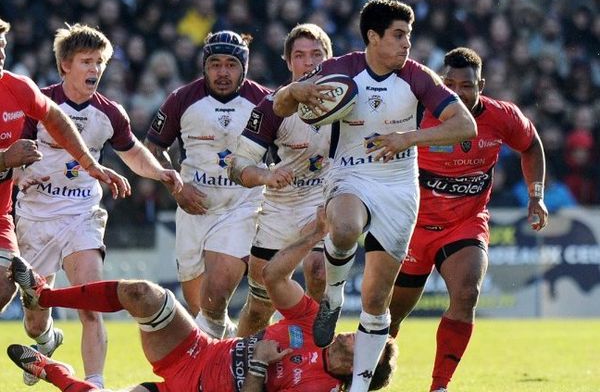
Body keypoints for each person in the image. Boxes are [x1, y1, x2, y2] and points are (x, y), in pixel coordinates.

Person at [272, 0, 476, 392]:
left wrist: (408, 138)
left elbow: (464, 125)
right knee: (345, 226)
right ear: (373, 37)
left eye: (409, 36)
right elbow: (279, 105)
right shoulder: (338, 71)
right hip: (350, 173)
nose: (406, 45)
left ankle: (361, 388)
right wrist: (296, 90)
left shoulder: (417, 77)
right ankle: (331, 297)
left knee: (376, 300)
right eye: (398, 36)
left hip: (399, 185)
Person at [7, 206, 398, 391]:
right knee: (141, 293)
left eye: (365, 344)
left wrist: (260, 367)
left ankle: (50, 370)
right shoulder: (317, 328)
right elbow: (273, 275)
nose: (354, 335)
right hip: (196, 349)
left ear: (359, 368)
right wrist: (315, 233)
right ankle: (44, 294)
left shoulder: (320, 389)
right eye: (365, 334)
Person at [13, 23, 183, 388]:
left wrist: (161, 173)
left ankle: (95, 384)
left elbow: (133, 152)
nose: (95, 70)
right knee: (34, 317)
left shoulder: (110, 113)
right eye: (86, 62)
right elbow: (11, 154)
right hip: (36, 216)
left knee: (90, 302)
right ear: (65, 67)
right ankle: (47, 340)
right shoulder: (38, 104)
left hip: (81, 214)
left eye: (100, 63)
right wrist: (18, 177)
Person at [389, 47, 548, 392]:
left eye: (466, 86)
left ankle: (440, 386)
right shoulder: (415, 112)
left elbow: (531, 144)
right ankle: (366, 376)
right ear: (437, 83)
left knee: (466, 294)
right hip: (412, 226)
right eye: (449, 84)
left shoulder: (501, 116)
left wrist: (535, 195)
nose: (457, 92)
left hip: (465, 223)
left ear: (481, 86)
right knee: (389, 316)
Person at [0, 17, 128, 335]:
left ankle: (57, 349)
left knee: (4, 291)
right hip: (32, 213)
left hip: (3, 216)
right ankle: (45, 338)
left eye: (2, 47)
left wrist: (88, 163)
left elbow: (55, 116)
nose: (1, 55)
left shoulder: (18, 88)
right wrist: (5, 160)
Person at [144, 30, 271, 339]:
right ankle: (228, 351)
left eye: (231, 64)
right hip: (194, 207)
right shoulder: (182, 98)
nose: (223, 72)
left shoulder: (264, 102)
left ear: (244, 67)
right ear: (204, 65)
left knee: (214, 297)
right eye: (215, 64)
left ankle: (215, 376)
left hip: (242, 206)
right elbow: (154, 147)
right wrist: (176, 187)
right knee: (201, 310)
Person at [229, 23, 333, 337]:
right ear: (288, 62)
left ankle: (314, 359)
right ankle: (238, 363)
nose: (309, 62)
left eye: (317, 54)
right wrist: (266, 175)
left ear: (329, 58)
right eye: (300, 56)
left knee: (318, 270)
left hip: (324, 199)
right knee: (260, 308)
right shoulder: (272, 108)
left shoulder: (348, 103)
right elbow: (238, 166)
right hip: (280, 208)